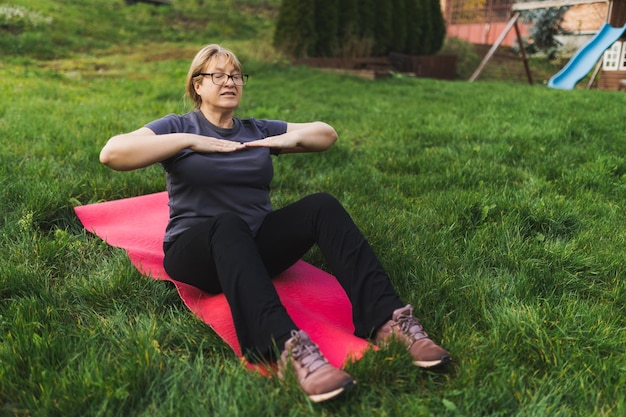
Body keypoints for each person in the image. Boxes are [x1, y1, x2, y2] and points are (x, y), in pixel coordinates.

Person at [99, 44, 450, 403]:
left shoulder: (255, 129)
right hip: (198, 251)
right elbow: (112, 153)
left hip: (256, 246)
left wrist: (283, 139)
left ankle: (388, 321)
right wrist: (191, 141)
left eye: (235, 75)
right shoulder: (178, 126)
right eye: (217, 75)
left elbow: (326, 134)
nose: (229, 82)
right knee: (228, 224)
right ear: (197, 86)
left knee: (321, 205)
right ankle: (287, 348)